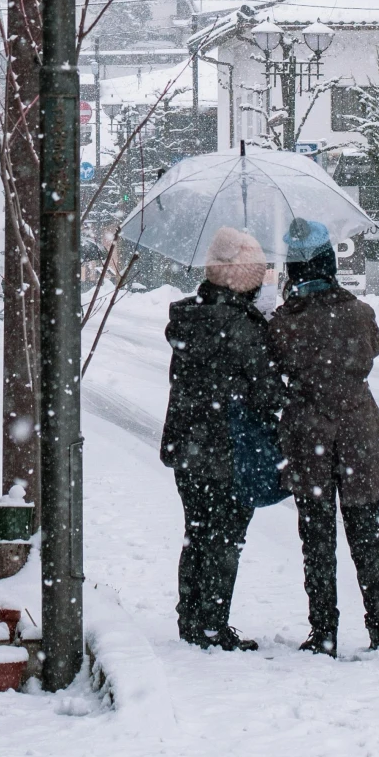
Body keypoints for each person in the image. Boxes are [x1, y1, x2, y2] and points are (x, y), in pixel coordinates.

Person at [269, 215, 379, 658]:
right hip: (359, 433)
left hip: (308, 436)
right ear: (329, 262)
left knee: (317, 537)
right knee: (367, 536)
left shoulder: (283, 323)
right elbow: (374, 347)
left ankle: (324, 631)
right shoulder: (357, 313)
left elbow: (275, 373)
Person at [159, 226, 284, 651]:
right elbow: (269, 392)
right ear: (245, 280)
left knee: (196, 532)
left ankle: (190, 620)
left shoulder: (189, 317)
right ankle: (213, 624)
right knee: (226, 537)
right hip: (229, 450)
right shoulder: (243, 328)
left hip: (187, 447)